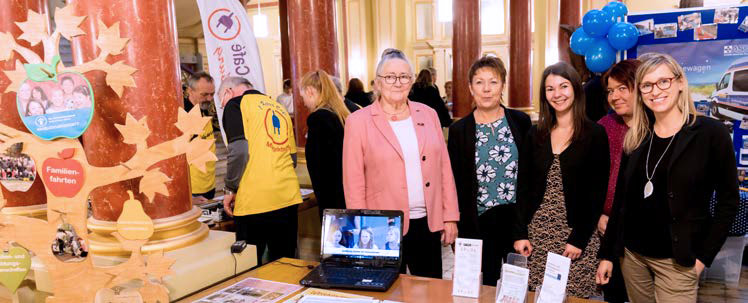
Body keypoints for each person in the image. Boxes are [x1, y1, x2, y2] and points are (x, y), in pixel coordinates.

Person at [597, 53, 739, 303]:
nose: (656, 91)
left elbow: (729, 203)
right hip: (633, 258)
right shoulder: (637, 138)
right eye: (647, 85)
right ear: (640, 92)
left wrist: (703, 258)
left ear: (681, 83)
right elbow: (621, 201)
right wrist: (608, 254)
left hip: (678, 263)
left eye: (664, 81)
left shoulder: (710, 134)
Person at [343, 48, 459, 278]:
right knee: (387, 291)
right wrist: (360, 225)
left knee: (429, 292)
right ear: (377, 82)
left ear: (412, 81)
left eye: (404, 76)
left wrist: (450, 217)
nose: (397, 82)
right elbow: (353, 179)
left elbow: (444, 168)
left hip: (427, 223)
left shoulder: (428, 114)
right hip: (381, 226)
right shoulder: (358, 121)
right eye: (390, 77)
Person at [513, 62, 609, 298]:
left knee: (574, 296)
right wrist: (519, 233)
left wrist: (578, 239)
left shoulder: (595, 134)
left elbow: (597, 193)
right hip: (537, 236)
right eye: (550, 88)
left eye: (563, 86)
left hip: (575, 237)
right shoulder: (535, 134)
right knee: (538, 296)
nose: (557, 94)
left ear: (576, 88)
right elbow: (522, 188)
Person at [448, 56, 531, 286]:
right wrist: (452, 221)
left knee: (519, 287)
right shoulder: (459, 131)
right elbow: (453, 181)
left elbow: (530, 174)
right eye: (479, 82)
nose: (486, 89)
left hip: (517, 221)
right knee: (483, 286)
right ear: (470, 88)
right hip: (478, 223)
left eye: (493, 82)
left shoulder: (520, 122)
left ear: (503, 85)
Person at [219, 76, 302, 264]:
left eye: (221, 102)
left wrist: (230, 188)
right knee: (286, 264)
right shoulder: (277, 107)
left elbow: (239, 152)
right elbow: (292, 158)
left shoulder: (235, 104)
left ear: (228, 92)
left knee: (250, 269)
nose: (223, 107)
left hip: (254, 201)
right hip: (287, 197)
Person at [596, 59, 641, 303]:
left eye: (622, 88)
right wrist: (599, 216)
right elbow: (591, 180)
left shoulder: (658, 127)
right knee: (613, 292)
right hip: (607, 229)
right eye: (611, 91)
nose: (615, 96)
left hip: (643, 233)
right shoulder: (605, 126)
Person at [300, 70, 355, 219]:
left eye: (303, 96)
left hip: (332, 197)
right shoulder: (341, 113)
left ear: (310, 91)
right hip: (348, 192)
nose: (303, 102)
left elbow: (319, 167)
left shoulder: (318, 118)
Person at [184, 72, 217, 203]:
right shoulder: (184, 115)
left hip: (208, 185)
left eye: (212, 94)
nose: (209, 98)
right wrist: (188, 196)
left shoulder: (203, 110)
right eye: (204, 94)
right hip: (193, 191)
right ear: (189, 91)